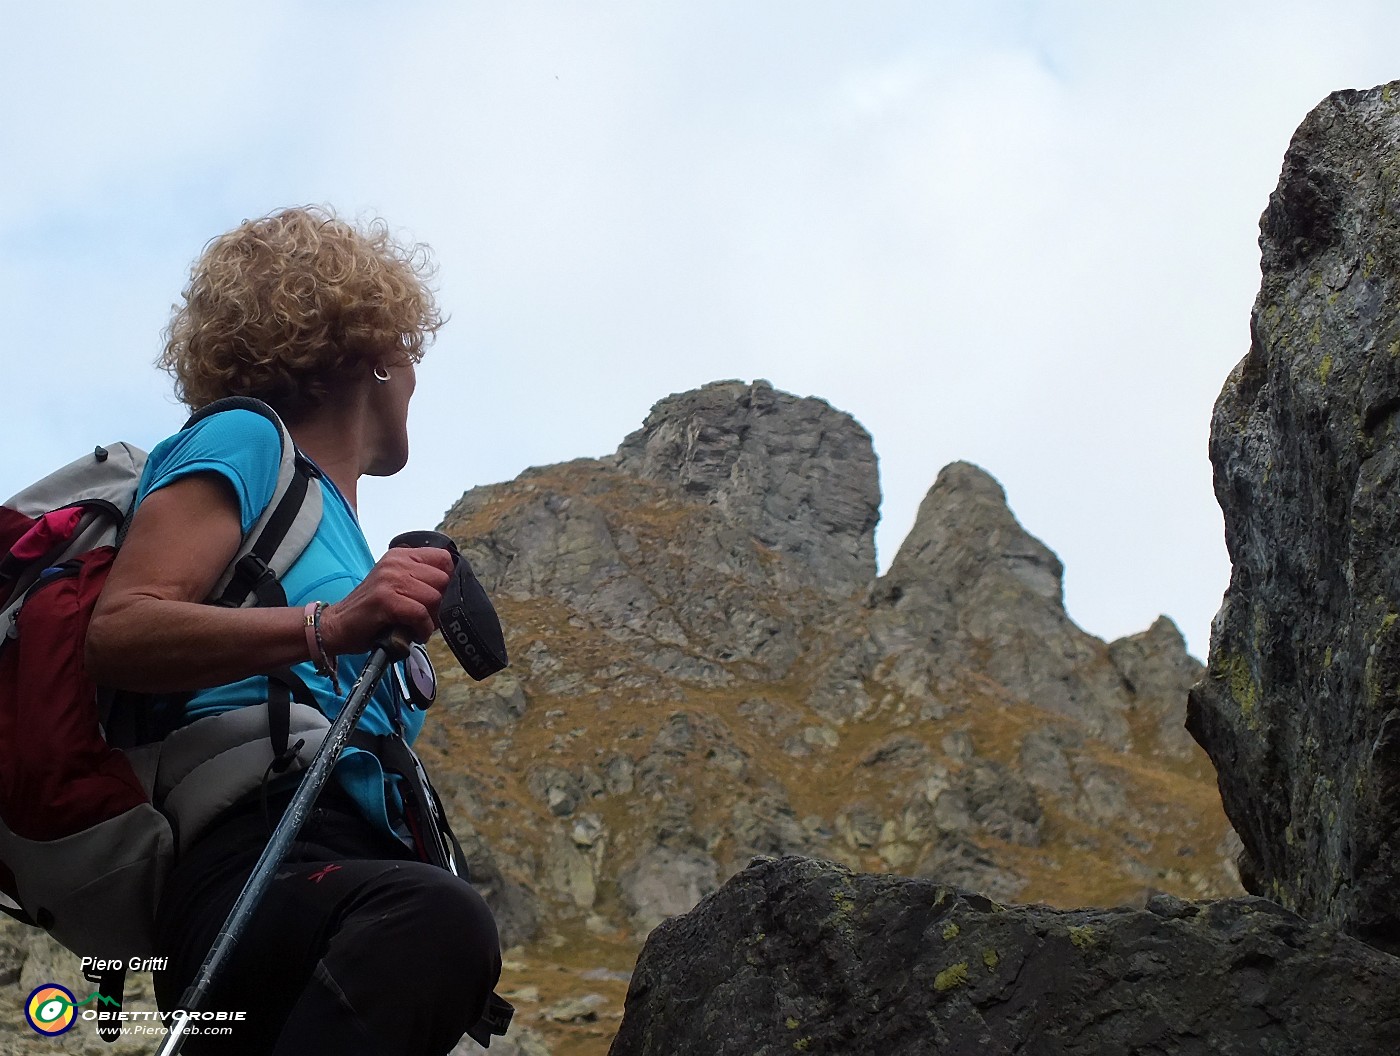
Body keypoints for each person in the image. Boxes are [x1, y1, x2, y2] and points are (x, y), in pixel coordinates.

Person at [85, 206, 503, 1054]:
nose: (417, 374)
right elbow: (122, 629)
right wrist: (333, 624)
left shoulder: (341, 532)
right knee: (432, 924)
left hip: (336, 862)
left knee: (426, 929)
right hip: (253, 851)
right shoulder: (246, 440)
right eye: (410, 351)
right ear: (376, 350)